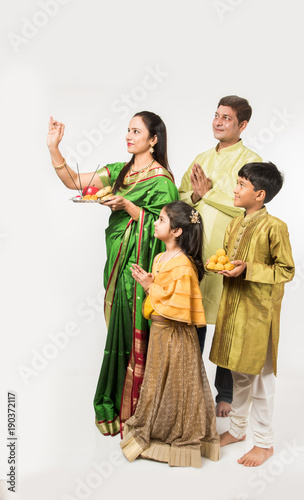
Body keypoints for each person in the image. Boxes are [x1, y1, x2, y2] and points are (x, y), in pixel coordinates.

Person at [47, 111, 179, 437]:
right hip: (119, 264)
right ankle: (120, 403)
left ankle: (145, 410)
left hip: (142, 270)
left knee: (142, 332)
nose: (129, 136)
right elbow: (75, 182)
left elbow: (173, 230)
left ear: (154, 139)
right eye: (128, 130)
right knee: (118, 330)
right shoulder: (120, 172)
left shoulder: (162, 181)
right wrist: (54, 148)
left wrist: (131, 208)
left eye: (136, 131)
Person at [179, 95, 262, 417]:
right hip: (196, 250)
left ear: (242, 125)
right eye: (216, 115)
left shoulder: (251, 160)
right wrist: (196, 194)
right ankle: (190, 387)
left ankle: (224, 394)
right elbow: (182, 194)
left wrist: (208, 194)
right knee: (194, 318)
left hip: (228, 254)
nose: (218, 122)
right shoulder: (201, 157)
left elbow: (246, 202)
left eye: (226, 118)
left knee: (226, 323)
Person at [119, 201, 220, 467]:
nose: (155, 223)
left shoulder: (184, 266)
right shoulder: (160, 258)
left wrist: (150, 286)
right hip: (160, 333)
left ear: (176, 231)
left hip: (176, 336)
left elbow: (177, 308)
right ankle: (154, 427)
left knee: (178, 386)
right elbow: (162, 292)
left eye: (161, 220)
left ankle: (176, 437)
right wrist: (149, 282)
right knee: (157, 382)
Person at [209, 162, 295, 467]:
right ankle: (237, 430)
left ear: (260, 194)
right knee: (238, 375)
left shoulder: (275, 227)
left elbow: (286, 270)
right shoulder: (234, 224)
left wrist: (249, 269)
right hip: (233, 311)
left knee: (260, 382)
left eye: (242, 184)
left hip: (259, 316)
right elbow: (229, 261)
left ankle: (265, 443)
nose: (235, 188)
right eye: (237, 182)